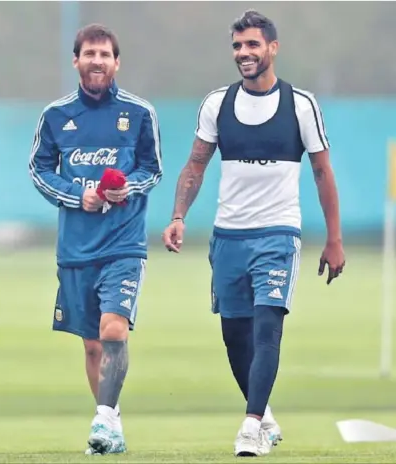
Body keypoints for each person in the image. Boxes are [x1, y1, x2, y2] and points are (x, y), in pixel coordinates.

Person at [162, 9, 345, 458]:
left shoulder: (301, 104)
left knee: (268, 327)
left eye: (252, 45)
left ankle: (249, 427)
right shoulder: (216, 104)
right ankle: (264, 416)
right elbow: (196, 164)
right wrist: (179, 216)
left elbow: (322, 171)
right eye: (237, 46)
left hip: (278, 235)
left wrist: (334, 239)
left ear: (273, 48)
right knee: (235, 337)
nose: (243, 53)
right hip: (228, 237)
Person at [29, 24, 162, 455]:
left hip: (123, 243)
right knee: (91, 346)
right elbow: (39, 170)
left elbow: (152, 169)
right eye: (89, 53)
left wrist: (129, 188)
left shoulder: (140, 113)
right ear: (76, 61)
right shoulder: (55, 116)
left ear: (117, 62)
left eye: (105, 54)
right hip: (75, 249)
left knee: (113, 329)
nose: (97, 61)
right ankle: (112, 421)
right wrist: (76, 194)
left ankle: (102, 420)